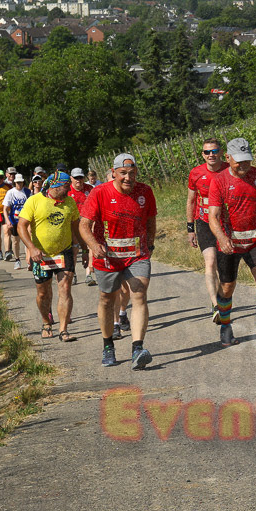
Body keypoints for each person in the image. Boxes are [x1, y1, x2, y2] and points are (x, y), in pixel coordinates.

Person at [78, 154, 157, 370]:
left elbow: (151, 221)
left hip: (136, 254)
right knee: (107, 298)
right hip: (108, 256)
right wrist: (94, 246)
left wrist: (149, 245)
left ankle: (137, 348)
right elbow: (84, 225)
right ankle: (108, 345)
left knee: (139, 294)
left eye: (132, 173)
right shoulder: (99, 192)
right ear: (114, 173)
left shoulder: (145, 192)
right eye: (123, 173)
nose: (128, 178)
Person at [207, 138, 256, 348]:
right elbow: (213, 216)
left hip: (255, 240)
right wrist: (221, 238)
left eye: (247, 160)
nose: (244, 165)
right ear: (228, 158)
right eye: (239, 161)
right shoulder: (219, 181)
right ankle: (226, 326)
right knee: (227, 287)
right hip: (229, 242)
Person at [17, 171, 80, 341]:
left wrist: (82, 249)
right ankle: (46, 322)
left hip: (64, 252)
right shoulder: (35, 200)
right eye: (66, 187)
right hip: (41, 255)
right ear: (55, 186)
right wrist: (31, 248)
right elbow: (21, 226)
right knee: (43, 293)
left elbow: (76, 227)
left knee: (65, 289)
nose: (69, 190)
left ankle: (63, 330)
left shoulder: (69, 202)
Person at [186, 138, 226, 310]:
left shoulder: (229, 170)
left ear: (221, 152)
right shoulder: (195, 173)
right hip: (203, 222)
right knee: (210, 261)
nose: (211, 155)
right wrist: (190, 229)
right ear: (202, 155)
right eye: (207, 152)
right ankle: (216, 305)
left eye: (214, 151)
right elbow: (190, 201)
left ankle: (221, 295)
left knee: (222, 266)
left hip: (224, 223)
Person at [68, 168, 95, 285]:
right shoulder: (67, 190)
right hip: (73, 223)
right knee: (75, 249)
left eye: (80, 177)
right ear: (71, 179)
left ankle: (88, 275)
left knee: (89, 247)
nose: (79, 180)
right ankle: (73, 273)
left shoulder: (90, 189)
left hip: (87, 221)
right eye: (76, 178)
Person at [2, 174, 29, 270]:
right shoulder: (10, 192)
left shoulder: (27, 192)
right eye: (17, 183)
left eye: (21, 182)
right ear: (14, 183)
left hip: (26, 221)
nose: (19, 185)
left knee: (27, 241)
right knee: (16, 241)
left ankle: (29, 261)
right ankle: (17, 260)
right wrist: (7, 220)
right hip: (14, 220)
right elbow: (5, 209)